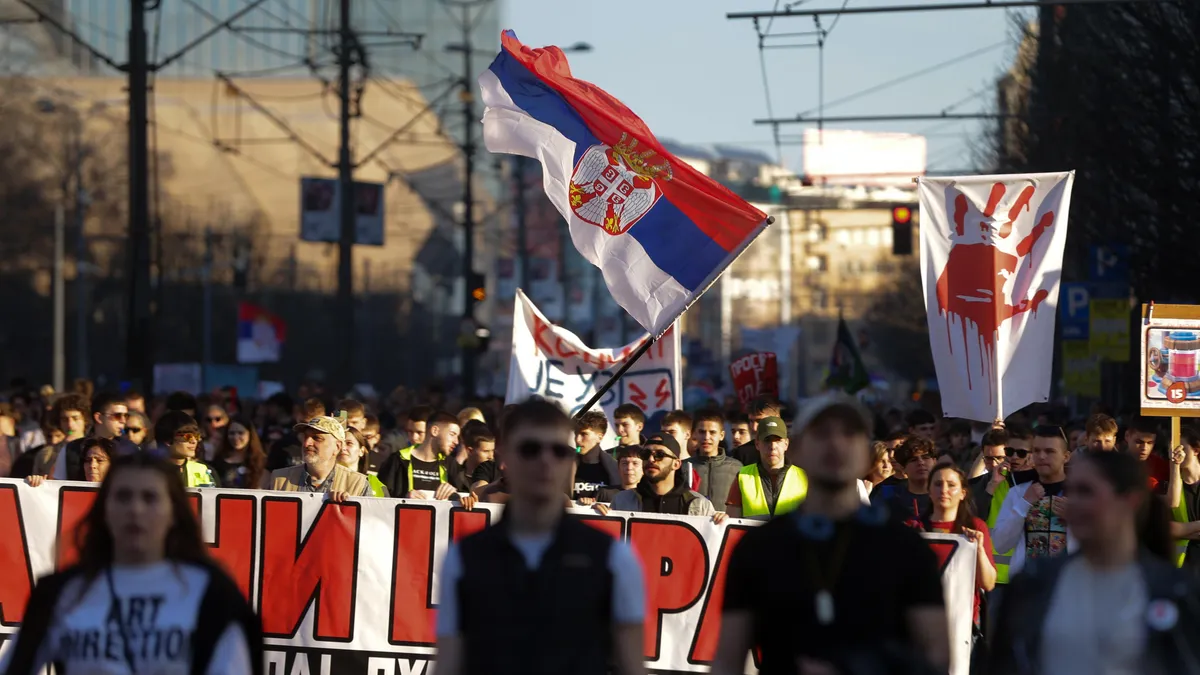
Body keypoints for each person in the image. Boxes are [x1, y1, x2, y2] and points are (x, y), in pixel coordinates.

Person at [712, 394, 948, 674]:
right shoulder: (758, 549)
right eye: (822, 433)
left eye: (849, 433)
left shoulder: (906, 548)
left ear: (865, 454)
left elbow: (937, 655)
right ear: (797, 450)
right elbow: (727, 659)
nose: (836, 443)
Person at [434, 398, 647, 675]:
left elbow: (631, 665)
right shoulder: (465, 558)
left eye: (559, 451)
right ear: (505, 457)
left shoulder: (612, 557)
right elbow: (449, 663)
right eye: (530, 449)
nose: (545, 461)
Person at [0, 454, 263, 675]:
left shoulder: (213, 594)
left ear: (174, 512)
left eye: (150, 498)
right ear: (104, 509)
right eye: (123, 497)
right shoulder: (62, 592)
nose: (135, 510)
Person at [993, 451, 1200, 675]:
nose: (1073, 503)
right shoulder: (1033, 584)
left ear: (1130, 500)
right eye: (1071, 491)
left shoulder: (1174, 591)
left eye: (1086, 492)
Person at [922, 464, 996, 666]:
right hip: (923, 626)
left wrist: (979, 549)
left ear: (963, 493)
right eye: (937, 484)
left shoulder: (976, 527)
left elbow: (988, 583)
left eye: (951, 485)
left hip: (963, 628)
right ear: (929, 491)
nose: (943, 490)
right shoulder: (913, 528)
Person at [991, 425, 1077, 577]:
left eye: (1049, 451)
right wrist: (1024, 504)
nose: (1042, 456)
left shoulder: (1081, 494)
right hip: (1027, 587)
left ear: (1066, 456)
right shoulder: (1017, 493)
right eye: (1037, 451)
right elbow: (1000, 545)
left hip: (1068, 586)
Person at [609, 433, 724, 520]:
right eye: (645, 454)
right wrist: (598, 516)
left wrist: (720, 522)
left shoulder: (700, 505)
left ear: (676, 464)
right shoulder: (621, 501)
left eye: (660, 455)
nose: (651, 459)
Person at [268, 415, 370, 499]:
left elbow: (370, 522)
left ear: (337, 446)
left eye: (317, 438)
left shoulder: (357, 484)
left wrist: (347, 508)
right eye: (305, 437)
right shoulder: (279, 479)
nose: (307, 443)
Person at [726, 416, 808, 519]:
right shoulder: (742, 477)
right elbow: (732, 524)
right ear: (757, 444)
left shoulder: (804, 478)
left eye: (778, 440)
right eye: (767, 440)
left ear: (786, 444)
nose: (772, 446)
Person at [378, 411, 461, 500]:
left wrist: (456, 495)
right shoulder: (397, 460)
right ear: (435, 431)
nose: (456, 441)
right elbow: (379, 498)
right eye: (452, 434)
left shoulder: (451, 464)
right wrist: (404, 498)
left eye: (457, 436)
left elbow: (467, 497)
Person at [685, 409, 743, 513]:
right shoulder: (683, 467)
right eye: (702, 432)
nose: (706, 437)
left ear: (721, 435)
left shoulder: (737, 468)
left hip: (726, 527)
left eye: (712, 432)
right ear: (694, 434)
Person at [871, 435, 937, 526]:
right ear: (903, 467)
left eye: (925, 457)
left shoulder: (945, 495)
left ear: (934, 462)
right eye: (913, 460)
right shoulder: (887, 495)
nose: (921, 462)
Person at [155, 411, 219, 488]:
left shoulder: (204, 471)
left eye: (197, 436)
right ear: (167, 440)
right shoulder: (149, 472)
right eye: (188, 436)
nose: (194, 441)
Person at [1168, 427, 1200, 577]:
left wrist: (1183, 531)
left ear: (1196, 450)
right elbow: (1167, 528)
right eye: (1172, 449)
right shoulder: (1171, 486)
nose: (1176, 453)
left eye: (1180, 448)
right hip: (1183, 568)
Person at [571, 410, 620, 500]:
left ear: (599, 437)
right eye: (576, 434)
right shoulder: (565, 466)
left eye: (584, 434)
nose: (577, 439)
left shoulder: (616, 469)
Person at [212, 417, 267, 489]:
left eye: (240, 433)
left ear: (250, 435)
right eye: (232, 433)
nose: (236, 437)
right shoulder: (218, 460)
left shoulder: (260, 461)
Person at [337, 427, 389, 497]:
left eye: (349, 443)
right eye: (339, 444)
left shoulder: (374, 484)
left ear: (361, 451)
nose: (343, 448)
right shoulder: (323, 480)